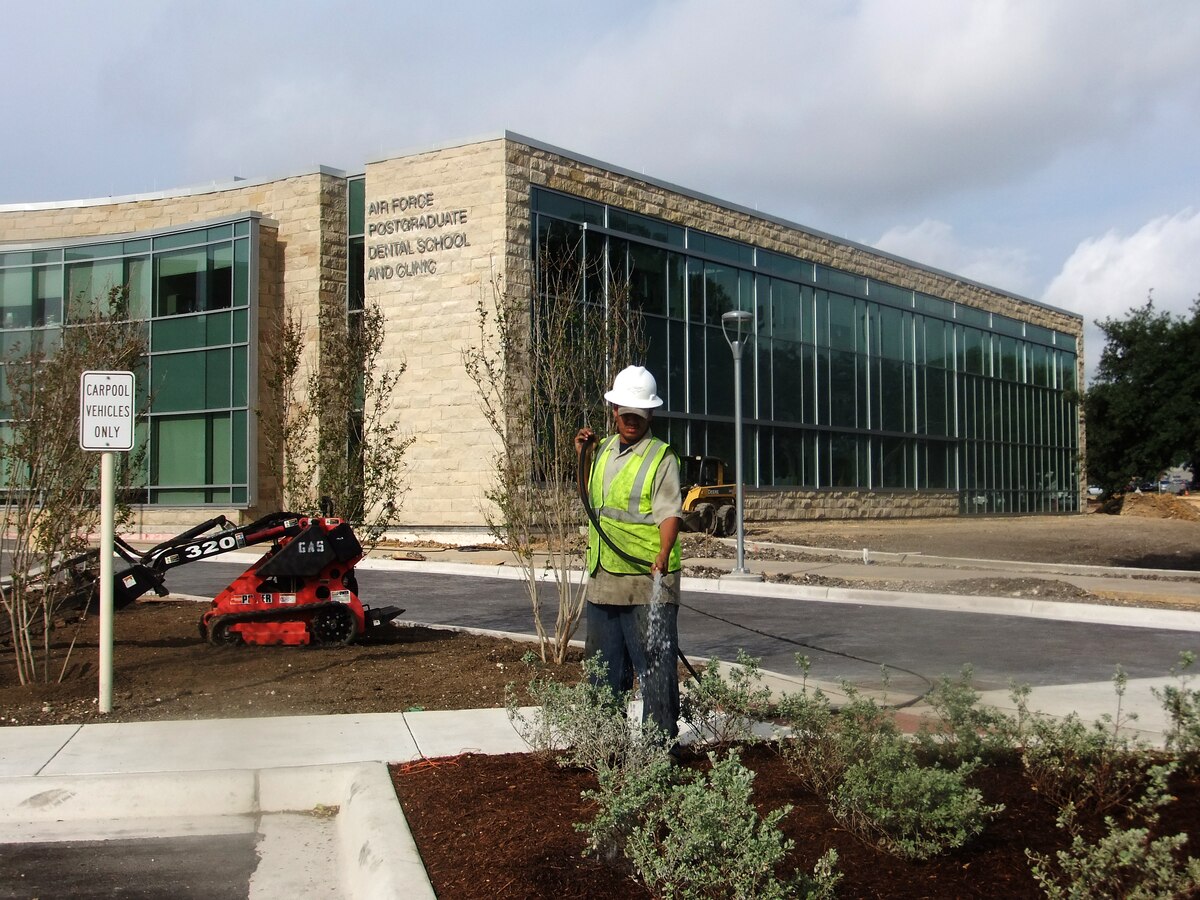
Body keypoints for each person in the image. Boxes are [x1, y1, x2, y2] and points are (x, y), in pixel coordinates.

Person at [574, 365, 683, 741]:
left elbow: (670, 510)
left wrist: (665, 551)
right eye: (626, 412)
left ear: (650, 413)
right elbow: (593, 501)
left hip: (646, 581)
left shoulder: (661, 457)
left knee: (655, 673)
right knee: (604, 671)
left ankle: (659, 751)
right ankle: (607, 749)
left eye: (639, 413)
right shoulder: (601, 448)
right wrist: (581, 454)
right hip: (604, 577)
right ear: (614, 410)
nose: (632, 419)